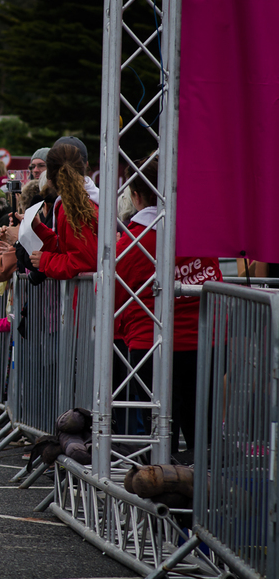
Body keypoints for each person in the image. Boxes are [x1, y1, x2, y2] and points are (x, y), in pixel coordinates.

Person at [115, 155, 221, 451]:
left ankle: (166, 488)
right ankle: (206, 492)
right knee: (204, 432)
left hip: (152, 344)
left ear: (136, 196)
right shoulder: (196, 230)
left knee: (160, 436)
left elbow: (111, 296)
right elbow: (214, 278)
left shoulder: (133, 242)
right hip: (205, 341)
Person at [29, 143, 99, 279]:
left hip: (87, 296)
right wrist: (39, 228)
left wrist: (45, 260)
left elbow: (81, 262)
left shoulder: (73, 207)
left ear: (50, 175)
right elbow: (67, 248)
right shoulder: (80, 201)